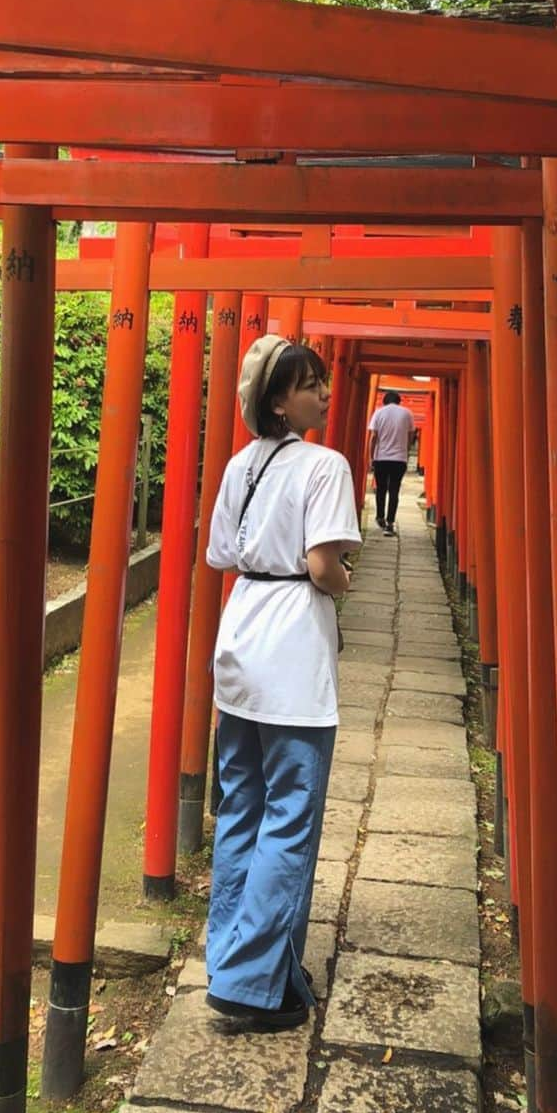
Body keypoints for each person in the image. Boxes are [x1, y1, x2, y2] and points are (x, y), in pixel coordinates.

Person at [203, 335, 361, 1032]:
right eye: (309, 385)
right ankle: (249, 981)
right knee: (291, 816)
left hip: (240, 638)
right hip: (294, 644)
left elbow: (218, 556)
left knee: (242, 805)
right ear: (278, 401)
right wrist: (346, 588)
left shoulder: (242, 464)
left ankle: (241, 962)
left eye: (324, 381)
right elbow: (324, 565)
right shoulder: (325, 465)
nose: (324, 393)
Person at [368, 389, 416, 535]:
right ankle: (390, 523)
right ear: (398, 401)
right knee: (394, 490)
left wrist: (371, 457)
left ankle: (380, 517)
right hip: (399, 458)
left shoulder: (379, 412)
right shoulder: (407, 413)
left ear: (385, 401)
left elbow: (374, 437)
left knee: (381, 489)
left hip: (381, 457)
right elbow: (410, 436)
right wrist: (406, 453)